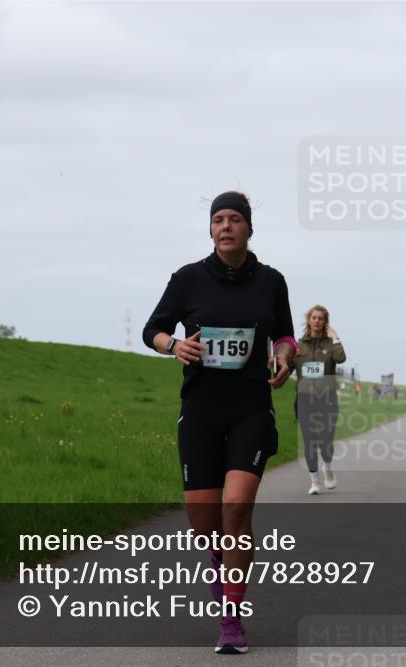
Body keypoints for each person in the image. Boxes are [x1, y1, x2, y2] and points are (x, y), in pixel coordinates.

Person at [142, 191, 297, 655]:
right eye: (218, 220)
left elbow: (285, 334)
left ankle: (231, 618)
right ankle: (220, 558)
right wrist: (174, 346)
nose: (225, 226)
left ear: (249, 228)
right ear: (210, 230)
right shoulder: (188, 279)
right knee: (204, 521)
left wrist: (285, 357)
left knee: (236, 508)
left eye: (234, 219)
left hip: (251, 407)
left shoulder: (271, 281)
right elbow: (153, 329)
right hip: (201, 411)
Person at [292, 305, 346, 495]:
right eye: (314, 317)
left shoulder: (330, 344)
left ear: (325, 322)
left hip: (327, 398)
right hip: (305, 399)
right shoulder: (298, 345)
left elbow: (341, 359)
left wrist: (335, 337)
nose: (317, 321)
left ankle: (328, 467)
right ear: (309, 320)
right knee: (309, 441)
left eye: (321, 318)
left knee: (326, 439)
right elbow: (286, 367)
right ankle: (314, 481)